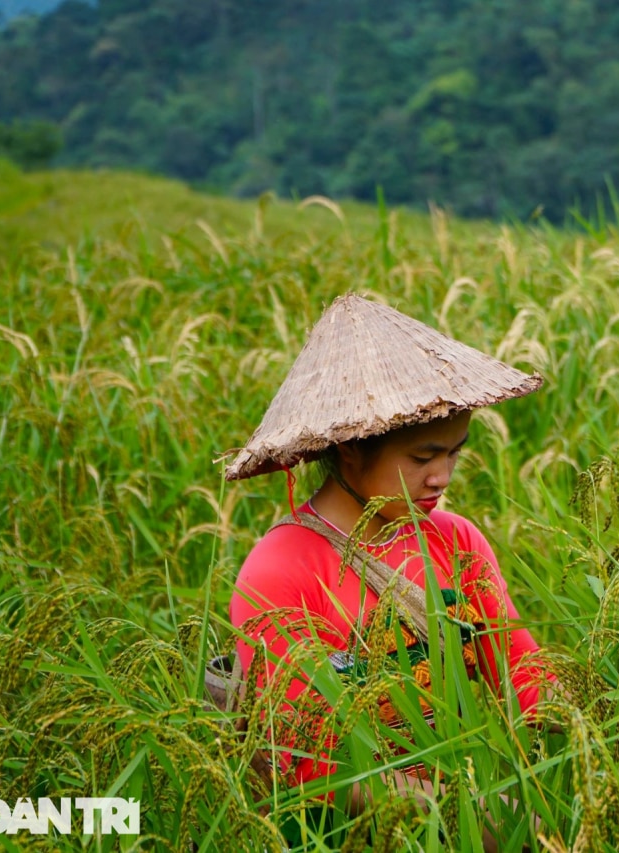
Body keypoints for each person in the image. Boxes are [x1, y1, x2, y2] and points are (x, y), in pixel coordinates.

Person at [223, 293, 550, 809]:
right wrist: (463, 814)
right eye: (423, 457)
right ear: (351, 449)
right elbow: (306, 763)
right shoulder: (283, 569)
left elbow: (519, 670)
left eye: (454, 453)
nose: (442, 477)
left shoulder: (455, 540)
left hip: (470, 797)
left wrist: (604, 710)